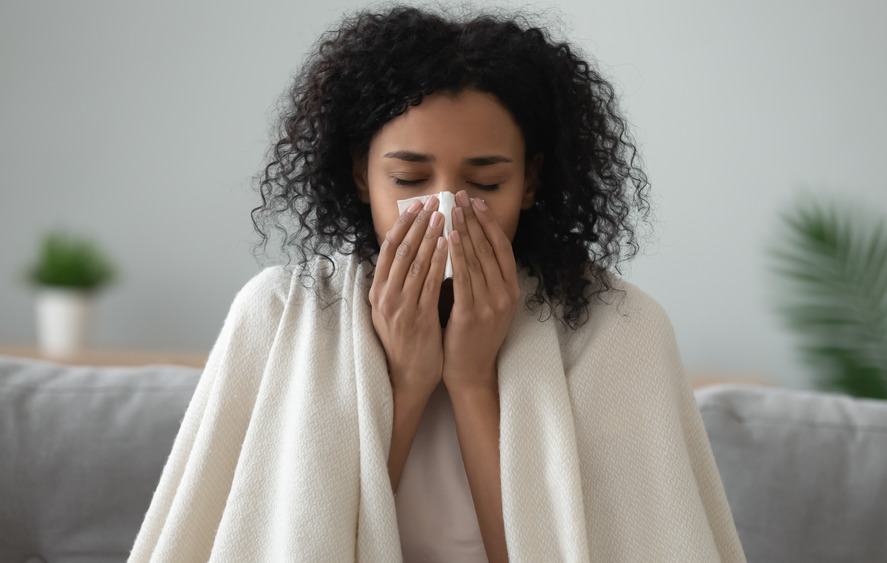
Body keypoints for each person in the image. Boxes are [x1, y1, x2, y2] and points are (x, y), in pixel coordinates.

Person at [129, 5, 746, 563]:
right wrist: (405, 379)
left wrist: (473, 380)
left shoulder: (618, 329)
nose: (446, 211)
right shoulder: (279, 314)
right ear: (360, 174)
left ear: (529, 182)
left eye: (484, 184)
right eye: (408, 180)